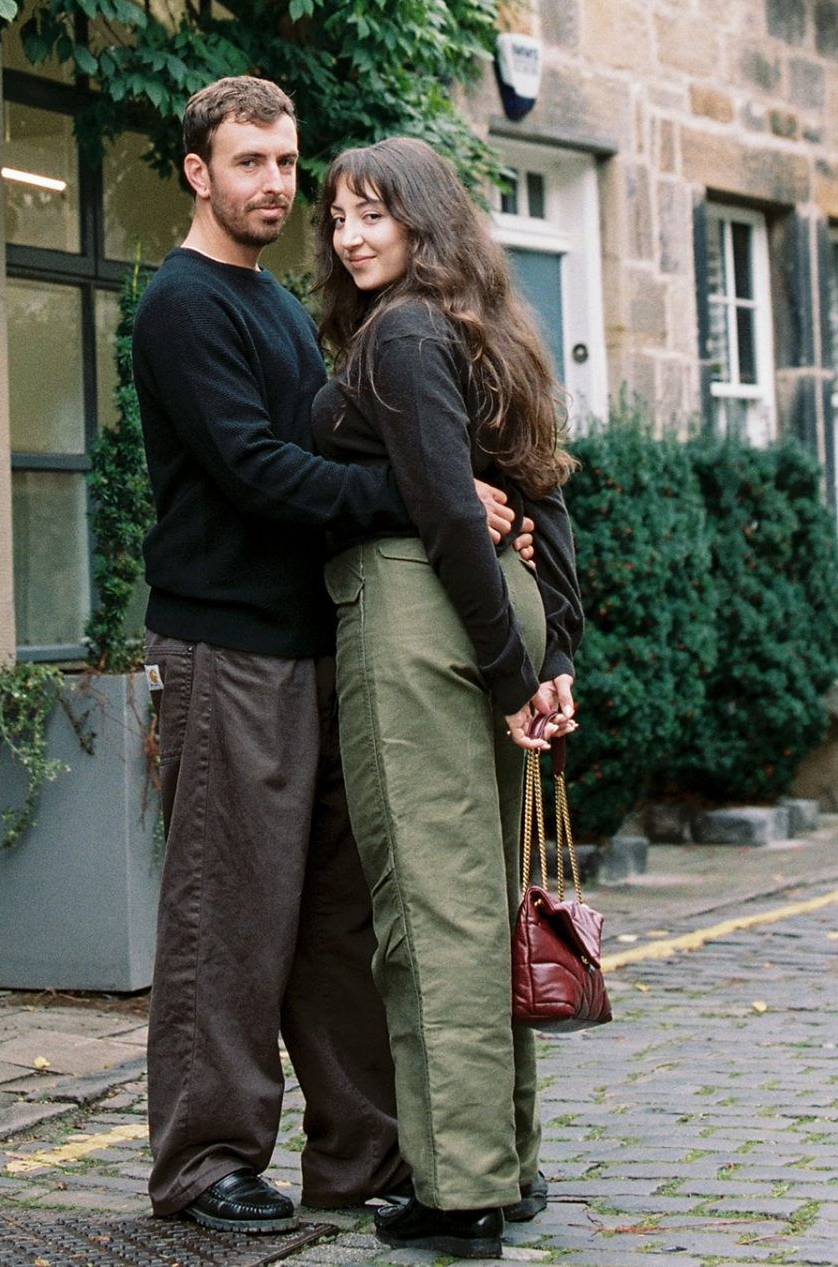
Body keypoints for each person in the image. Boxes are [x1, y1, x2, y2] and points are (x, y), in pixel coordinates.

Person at [131, 78, 526, 1231]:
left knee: (339, 921)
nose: (273, 183)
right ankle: (204, 1164)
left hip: (318, 645)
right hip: (224, 647)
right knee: (229, 911)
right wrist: (426, 500)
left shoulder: (278, 306)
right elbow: (257, 472)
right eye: (247, 161)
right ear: (198, 171)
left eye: (284, 161)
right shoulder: (183, 305)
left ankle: (362, 1160)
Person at [312, 135, 583, 1262]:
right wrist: (553, 651)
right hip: (495, 611)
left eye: (375, 212)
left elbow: (440, 511)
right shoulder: (491, 331)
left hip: (425, 619)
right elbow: (543, 504)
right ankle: (505, 1162)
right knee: (493, 896)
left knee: (437, 910)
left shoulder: (405, 334)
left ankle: (459, 1191)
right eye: (336, 217)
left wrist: (521, 678)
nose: (352, 234)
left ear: (425, 218)